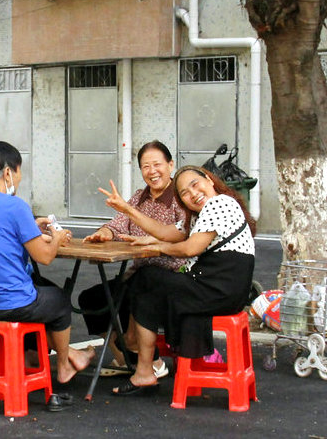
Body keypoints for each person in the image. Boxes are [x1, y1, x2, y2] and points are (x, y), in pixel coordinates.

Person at [98, 166, 255, 395]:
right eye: (184, 193)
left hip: (220, 289)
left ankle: (137, 352)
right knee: (146, 283)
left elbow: (190, 248)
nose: (192, 194)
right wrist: (128, 210)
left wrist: (158, 247)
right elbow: (165, 232)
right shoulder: (200, 215)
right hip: (219, 289)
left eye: (195, 184)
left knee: (145, 278)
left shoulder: (220, 203)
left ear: (209, 180)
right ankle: (143, 368)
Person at [0, 141, 96, 391]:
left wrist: (31, 226)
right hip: (8, 304)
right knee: (59, 301)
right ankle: (65, 364)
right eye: (19, 172)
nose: (20, 179)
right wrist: (57, 237)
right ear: (8, 172)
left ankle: (43, 354)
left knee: (40, 288)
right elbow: (44, 257)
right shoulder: (15, 206)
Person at [78, 141, 188, 376]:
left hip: (172, 276)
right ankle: (126, 360)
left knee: (130, 293)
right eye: (145, 166)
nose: (152, 171)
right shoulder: (139, 197)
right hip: (139, 275)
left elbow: (185, 237)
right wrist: (104, 233)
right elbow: (117, 225)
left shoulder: (181, 197)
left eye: (157, 164)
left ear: (171, 165)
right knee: (92, 299)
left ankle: (153, 362)